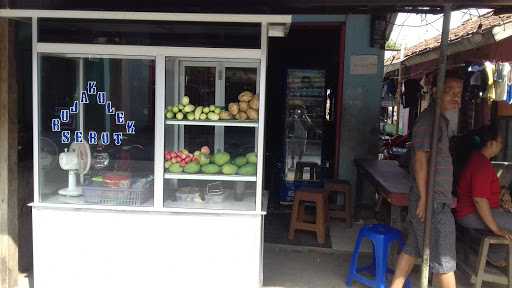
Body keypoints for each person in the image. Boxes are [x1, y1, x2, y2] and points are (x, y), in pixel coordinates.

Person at [390, 72, 463, 288]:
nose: (455, 97)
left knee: (412, 248)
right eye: (450, 91)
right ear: (435, 91)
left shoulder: (438, 120)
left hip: (433, 199)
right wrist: (423, 198)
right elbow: (420, 160)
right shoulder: (428, 121)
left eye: (459, 93)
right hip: (431, 203)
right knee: (444, 260)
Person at [455, 124, 512, 267]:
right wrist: (496, 229)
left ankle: (495, 255)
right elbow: (479, 200)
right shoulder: (481, 165)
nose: (501, 145)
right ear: (491, 143)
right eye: (500, 142)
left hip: (470, 212)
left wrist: (501, 196)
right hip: (469, 214)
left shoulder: (478, 159)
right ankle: (496, 257)